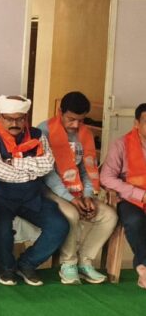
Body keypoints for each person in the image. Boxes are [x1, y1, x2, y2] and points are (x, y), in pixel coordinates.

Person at [0, 95, 68, 286]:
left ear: (26, 118)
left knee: (59, 225)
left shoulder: (37, 135)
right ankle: (6, 268)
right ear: (0, 116)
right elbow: (0, 171)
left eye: (19, 119)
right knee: (3, 230)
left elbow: (47, 164)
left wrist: (13, 163)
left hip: (32, 197)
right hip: (1, 197)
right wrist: (32, 172)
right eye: (9, 119)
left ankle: (27, 264)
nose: (14, 123)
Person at [39, 91, 117, 285]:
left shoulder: (85, 134)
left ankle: (85, 261)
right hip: (50, 190)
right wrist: (71, 199)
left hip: (78, 190)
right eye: (71, 119)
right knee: (72, 214)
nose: (75, 125)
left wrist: (88, 196)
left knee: (109, 216)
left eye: (80, 120)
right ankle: (68, 263)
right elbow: (47, 174)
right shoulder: (43, 131)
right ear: (60, 112)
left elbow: (87, 169)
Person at [101, 103, 146, 289]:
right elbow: (106, 177)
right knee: (135, 221)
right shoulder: (121, 145)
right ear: (136, 123)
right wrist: (140, 194)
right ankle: (144, 267)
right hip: (130, 199)